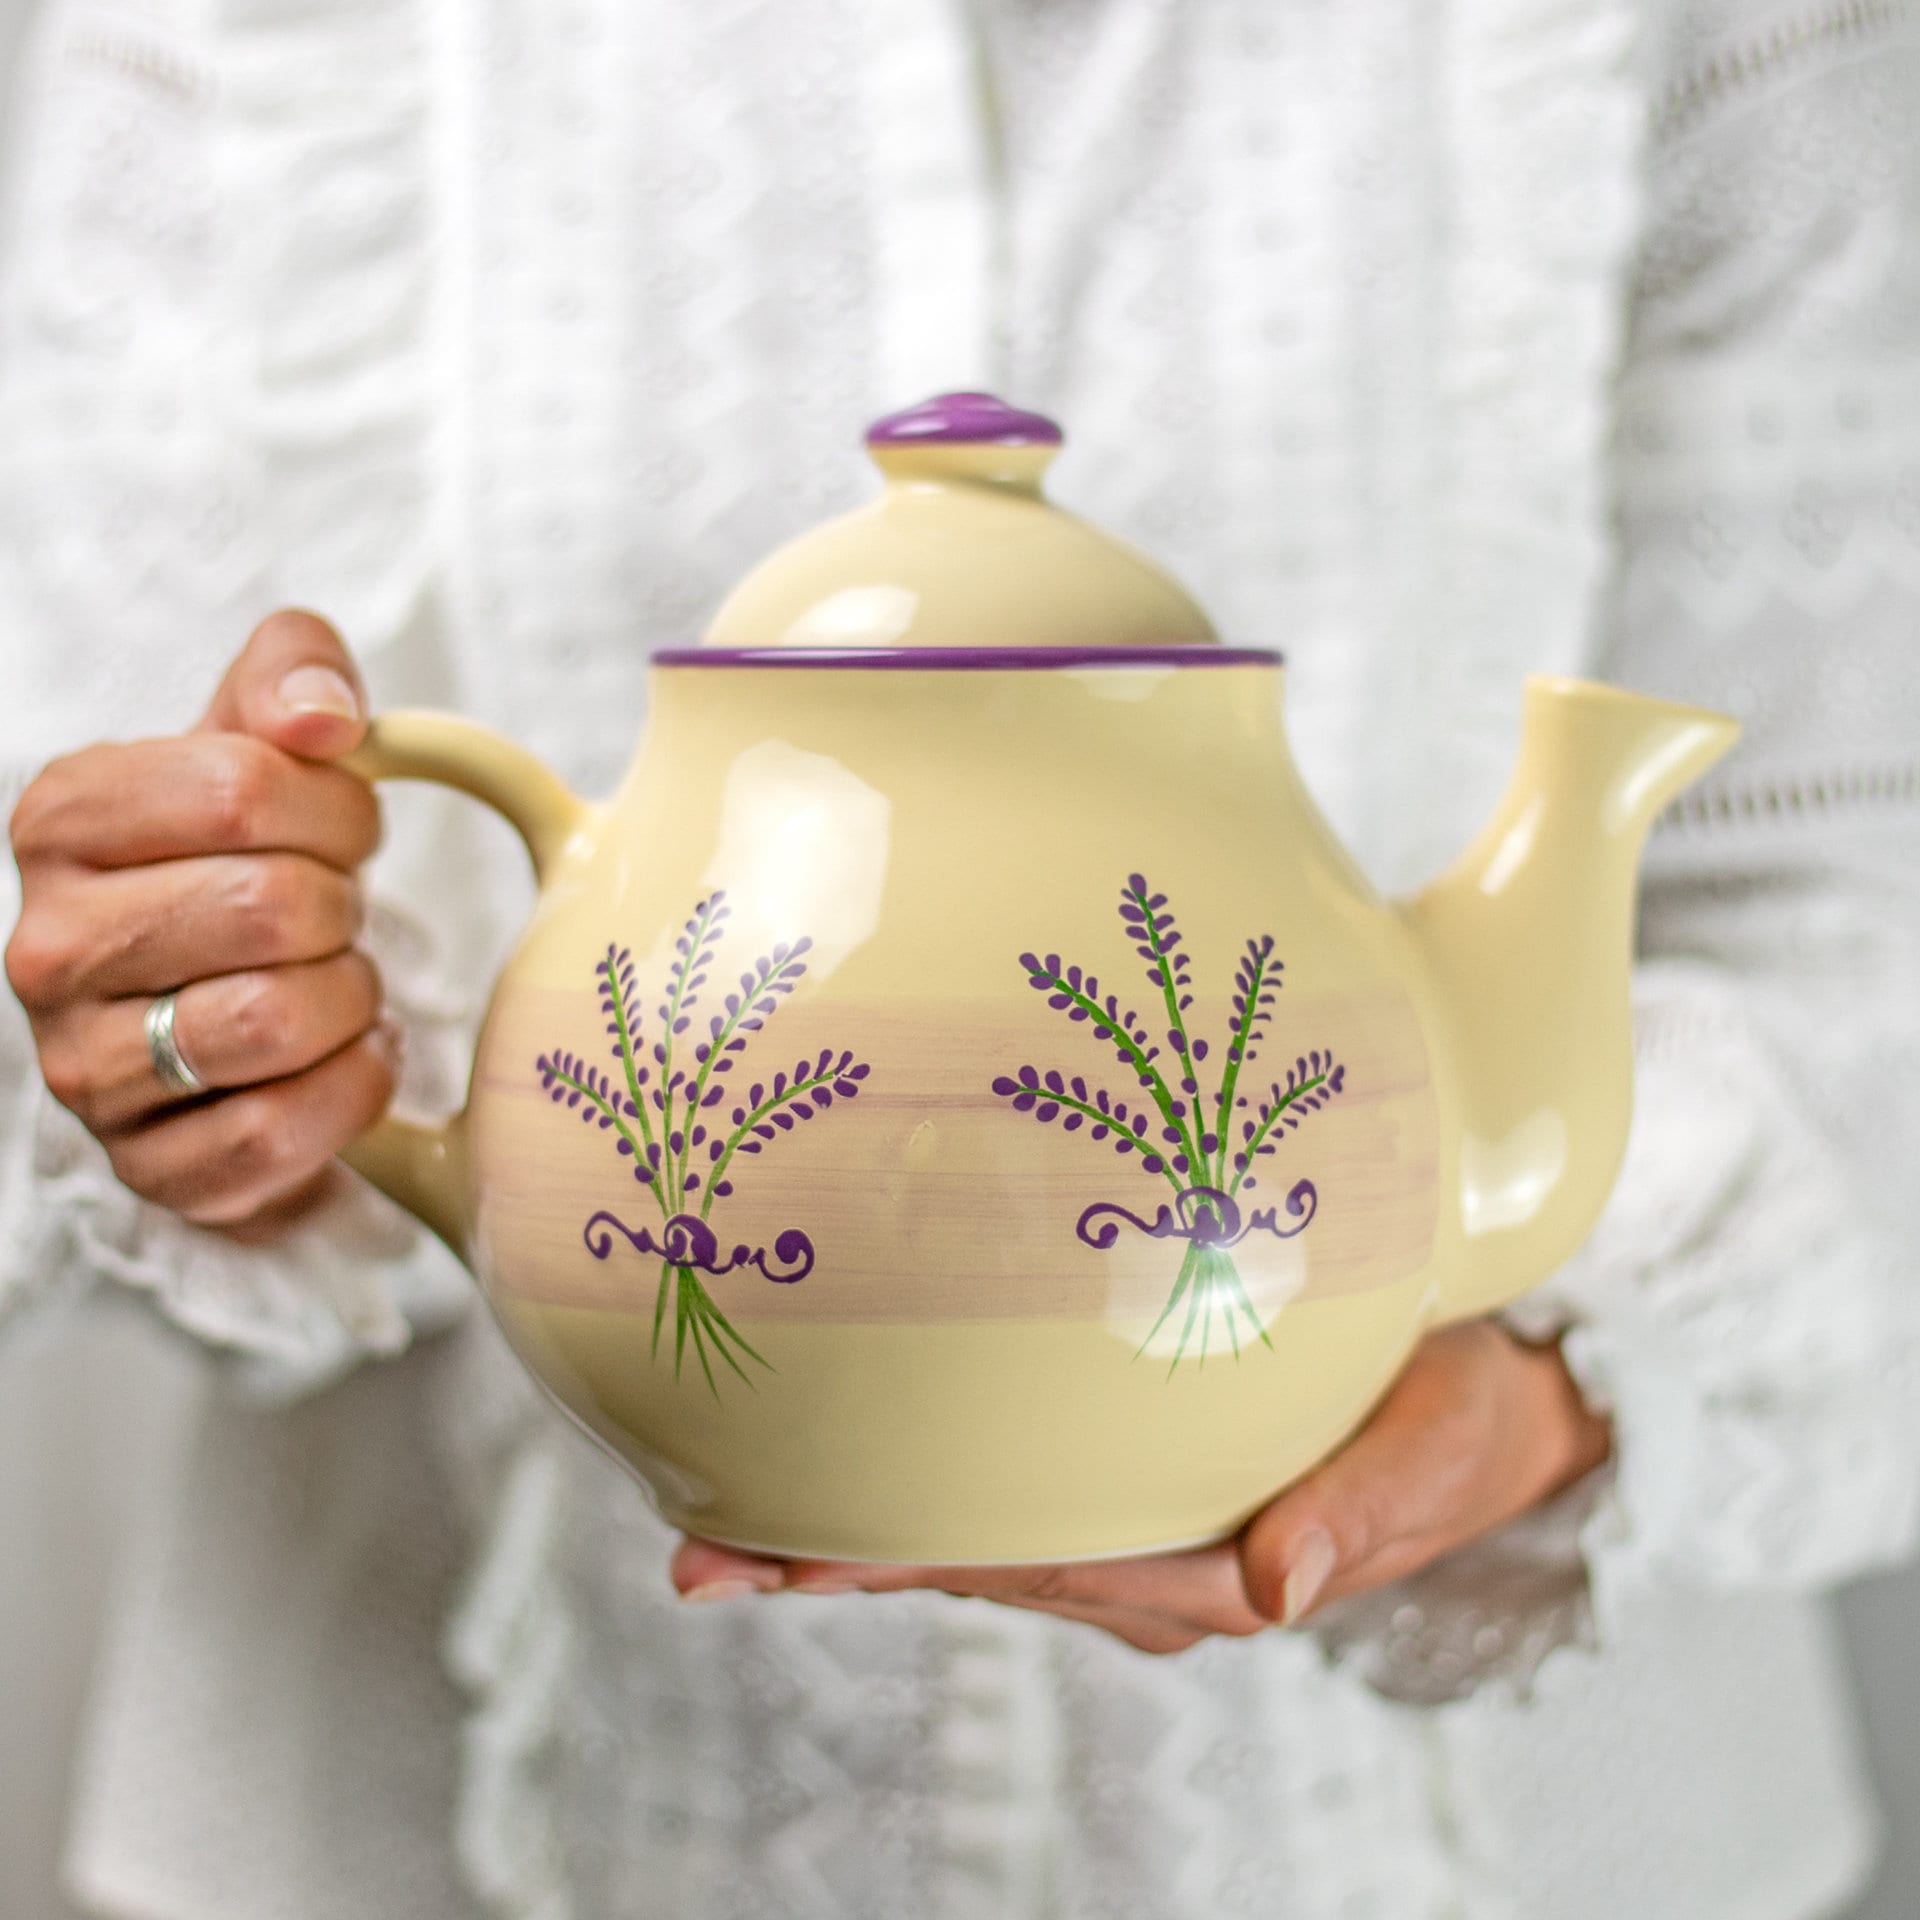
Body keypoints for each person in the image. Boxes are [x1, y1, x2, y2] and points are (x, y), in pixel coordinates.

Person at [3, 1, 1918, 1916]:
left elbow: (1857, 899)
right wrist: (218, 1027)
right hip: (397, 1835)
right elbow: (66, 874)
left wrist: (1550, 1393)